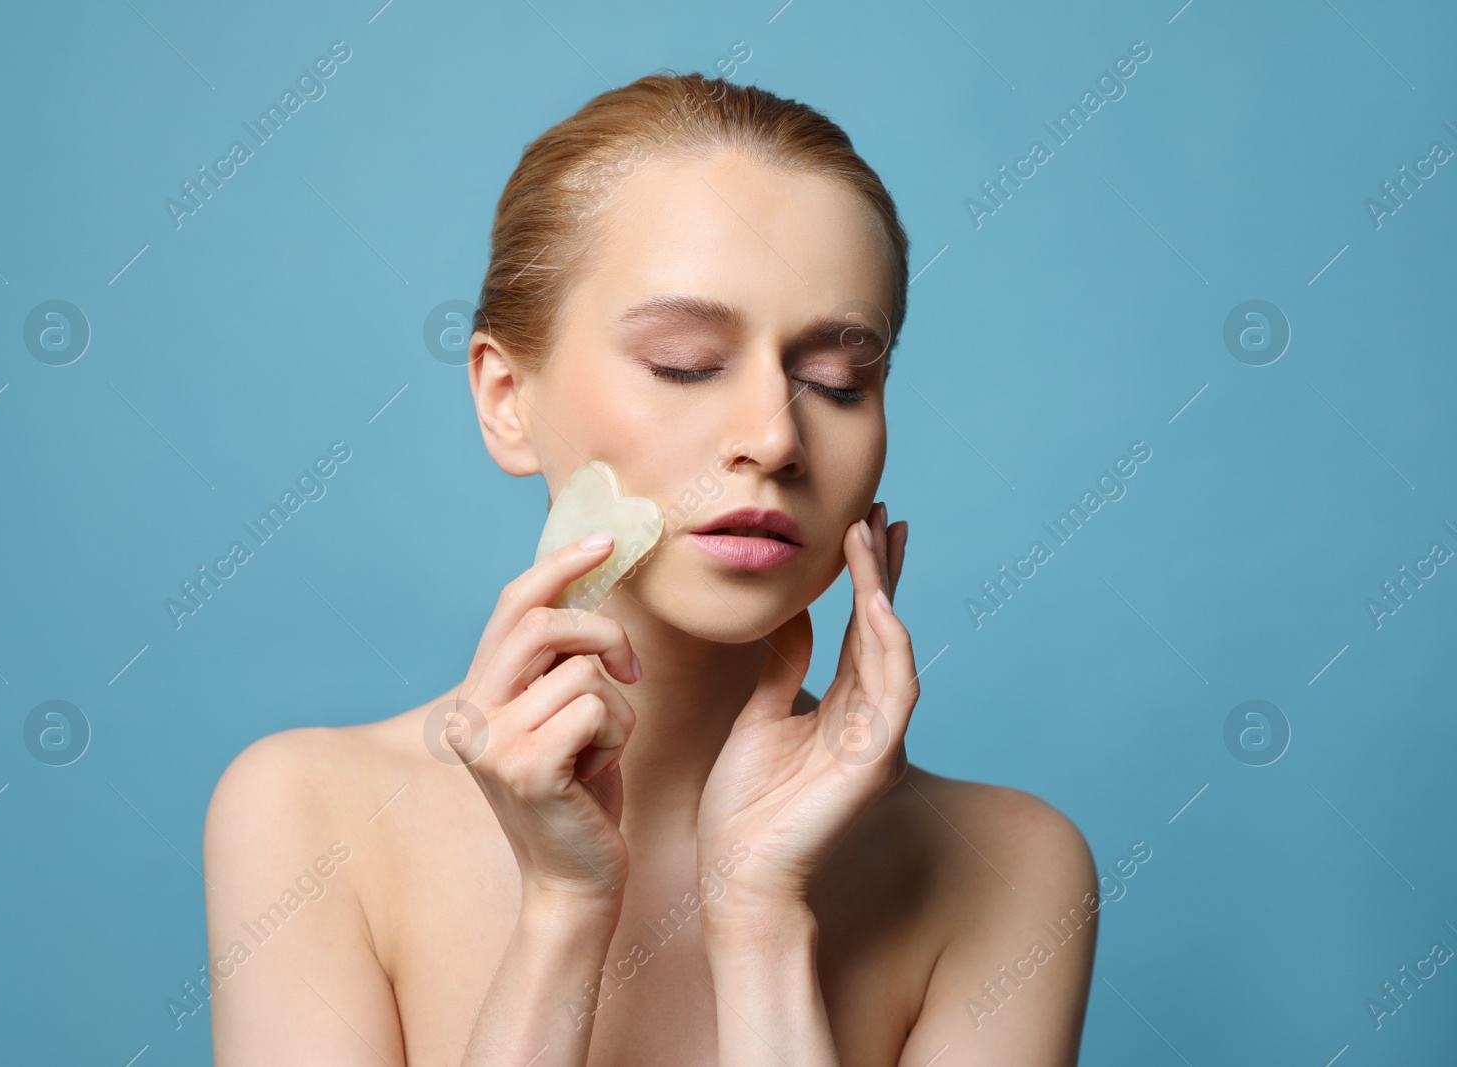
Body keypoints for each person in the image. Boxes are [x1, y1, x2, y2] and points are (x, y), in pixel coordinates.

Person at [204, 71, 1097, 1066]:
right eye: (684, 362)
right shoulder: (308, 814)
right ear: (507, 396)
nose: (773, 435)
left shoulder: (1007, 869)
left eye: (838, 381)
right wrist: (561, 912)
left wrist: (760, 921)